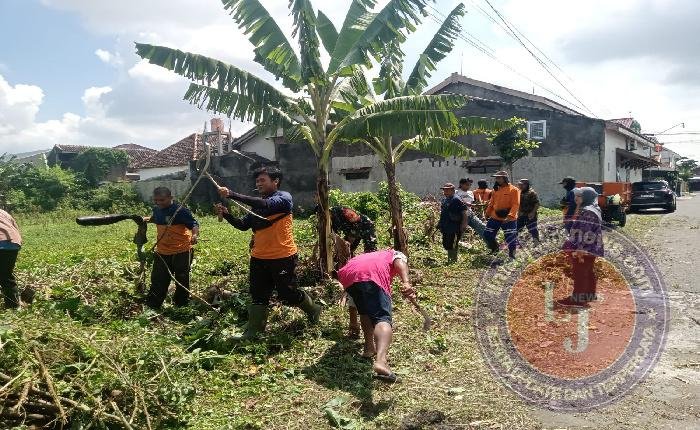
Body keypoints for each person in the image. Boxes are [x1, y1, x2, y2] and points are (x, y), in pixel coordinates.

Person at [216, 166, 321, 340]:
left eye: (262, 180)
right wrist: (227, 215)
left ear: (275, 181)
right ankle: (254, 332)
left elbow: (266, 204)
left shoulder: (283, 198)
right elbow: (243, 225)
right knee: (258, 294)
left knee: (287, 294)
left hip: (283, 256)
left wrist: (232, 194)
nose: (258, 183)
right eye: (257, 181)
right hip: (259, 257)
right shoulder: (257, 206)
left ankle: (314, 309)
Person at [335, 249, 416, 382]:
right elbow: (400, 261)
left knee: (365, 311)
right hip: (371, 275)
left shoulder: (365, 258)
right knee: (382, 318)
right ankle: (381, 361)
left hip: (347, 276)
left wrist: (353, 322)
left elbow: (354, 303)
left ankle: (369, 348)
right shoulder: (394, 254)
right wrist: (406, 282)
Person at [144, 187, 200, 309]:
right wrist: (147, 220)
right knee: (158, 278)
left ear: (170, 198)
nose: (158, 203)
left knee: (181, 277)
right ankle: (153, 305)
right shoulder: (156, 209)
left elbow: (194, 224)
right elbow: (156, 218)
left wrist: (195, 235)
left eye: (162, 200)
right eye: (156, 200)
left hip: (182, 250)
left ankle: (181, 305)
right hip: (162, 250)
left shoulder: (180, 211)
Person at [558, 187, 604, 308]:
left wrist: (580, 249)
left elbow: (585, 232)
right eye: (576, 196)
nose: (576, 198)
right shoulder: (593, 208)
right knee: (588, 271)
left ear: (587, 197)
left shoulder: (588, 212)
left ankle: (578, 300)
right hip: (592, 247)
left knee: (580, 272)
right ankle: (589, 295)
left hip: (585, 247)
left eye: (579, 196)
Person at [484, 171, 520, 259]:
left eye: (499, 178)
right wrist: (487, 213)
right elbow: (491, 203)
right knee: (487, 234)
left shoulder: (514, 190)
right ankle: (495, 249)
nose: (497, 179)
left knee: (510, 237)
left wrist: (510, 216)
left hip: (509, 218)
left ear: (505, 178)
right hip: (495, 216)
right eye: (496, 178)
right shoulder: (495, 190)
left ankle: (512, 255)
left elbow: (516, 204)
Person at [438, 183, 468, 264]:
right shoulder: (445, 200)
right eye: (444, 190)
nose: (445, 192)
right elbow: (443, 213)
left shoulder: (456, 199)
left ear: (453, 190)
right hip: (446, 225)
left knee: (453, 243)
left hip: (454, 226)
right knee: (447, 243)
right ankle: (450, 260)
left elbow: (464, 212)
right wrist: (440, 223)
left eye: (447, 190)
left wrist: (464, 224)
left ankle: (452, 261)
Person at [0, 209, 22, 309]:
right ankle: (14, 305)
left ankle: (13, 306)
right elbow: (15, 226)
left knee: (4, 276)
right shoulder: (3, 212)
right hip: (13, 243)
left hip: (2, 242)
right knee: (6, 275)